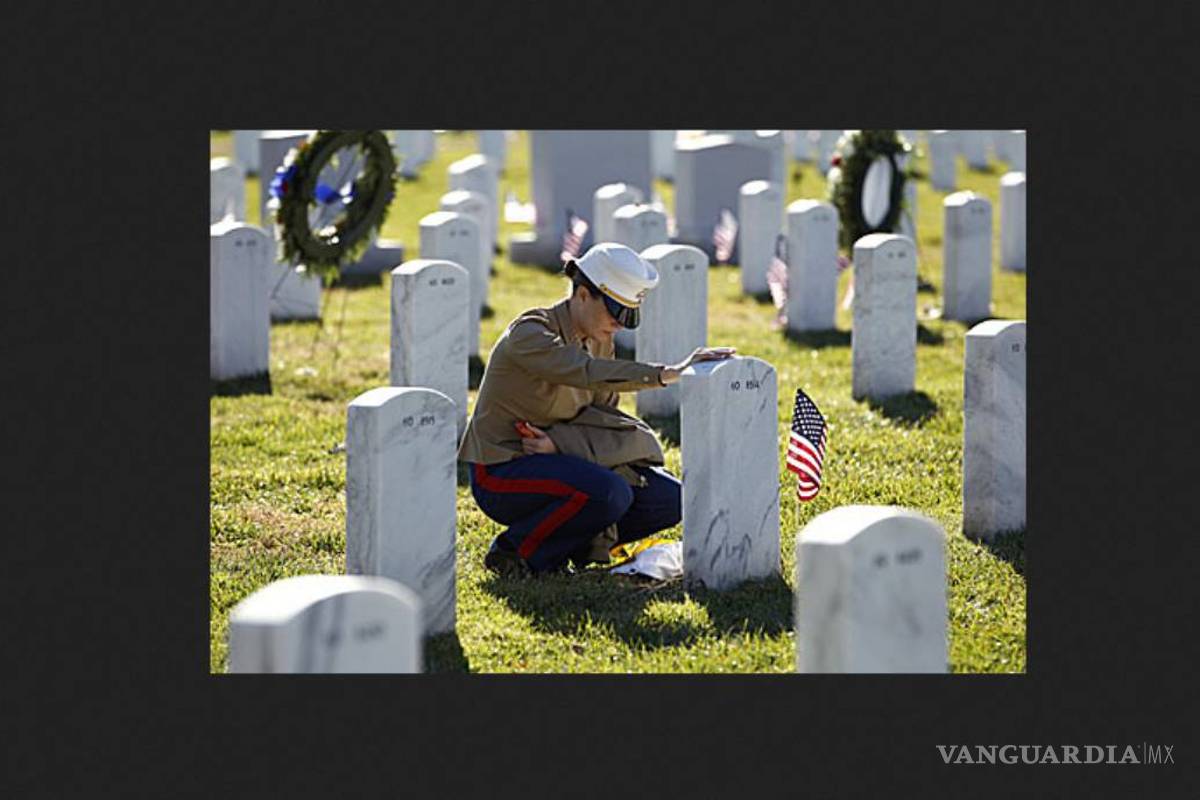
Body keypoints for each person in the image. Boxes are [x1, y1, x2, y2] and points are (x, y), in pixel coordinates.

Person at [458, 242, 736, 576]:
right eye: (616, 311)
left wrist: (559, 443)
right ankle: (515, 551)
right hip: (502, 469)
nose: (620, 324)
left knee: (669, 497)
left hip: (561, 457)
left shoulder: (600, 340)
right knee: (608, 492)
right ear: (582, 295)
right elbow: (583, 371)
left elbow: (603, 418)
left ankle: (578, 545)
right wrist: (667, 373)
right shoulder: (530, 332)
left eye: (629, 315)